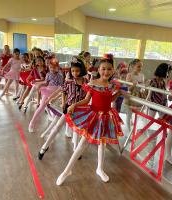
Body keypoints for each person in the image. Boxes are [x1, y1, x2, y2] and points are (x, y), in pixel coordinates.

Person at [56, 57, 125, 186]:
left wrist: (119, 93)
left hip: (106, 117)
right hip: (94, 116)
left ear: (113, 70)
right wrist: (74, 105)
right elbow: (86, 101)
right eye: (103, 69)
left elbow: (109, 100)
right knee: (81, 145)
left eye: (109, 69)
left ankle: (100, 168)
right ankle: (67, 171)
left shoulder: (112, 85)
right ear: (98, 69)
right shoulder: (93, 83)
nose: (106, 71)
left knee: (102, 144)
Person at [38, 58, 88, 160]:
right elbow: (63, 92)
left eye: (77, 71)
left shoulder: (86, 83)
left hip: (80, 110)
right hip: (68, 108)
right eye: (73, 71)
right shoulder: (69, 82)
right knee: (57, 127)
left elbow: (87, 97)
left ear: (82, 70)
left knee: (77, 131)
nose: (75, 73)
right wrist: (64, 103)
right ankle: (44, 147)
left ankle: (76, 150)